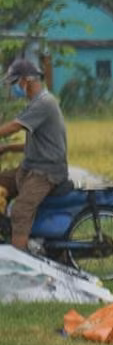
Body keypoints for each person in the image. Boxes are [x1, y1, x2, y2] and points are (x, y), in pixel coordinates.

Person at [0, 57, 69, 251]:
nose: (13, 88)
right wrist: (7, 148)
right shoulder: (35, 103)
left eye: (15, 82)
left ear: (26, 80)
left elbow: (15, 126)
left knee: (20, 210)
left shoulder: (44, 103)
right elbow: (37, 144)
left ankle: (19, 260)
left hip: (46, 172)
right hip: (30, 167)